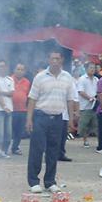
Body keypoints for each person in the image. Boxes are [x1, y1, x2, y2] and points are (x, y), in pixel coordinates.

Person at [26, 50, 76, 193]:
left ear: (62, 60)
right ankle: (34, 181)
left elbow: (70, 99)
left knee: (53, 151)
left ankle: (50, 181)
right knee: (37, 149)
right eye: (52, 58)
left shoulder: (67, 77)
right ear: (48, 60)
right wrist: (29, 119)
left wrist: (71, 119)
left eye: (57, 59)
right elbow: (32, 99)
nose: (55, 61)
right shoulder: (40, 77)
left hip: (58, 118)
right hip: (40, 117)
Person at [58, 68, 79, 162]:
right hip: (52, 112)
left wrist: (76, 112)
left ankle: (61, 154)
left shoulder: (68, 79)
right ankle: (51, 154)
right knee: (52, 136)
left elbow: (75, 98)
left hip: (65, 113)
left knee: (62, 136)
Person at [76, 62, 98, 148]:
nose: (93, 69)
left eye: (94, 68)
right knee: (85, 124)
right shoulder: (82, 79)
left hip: (95, 105)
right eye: (91, 68)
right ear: (86, 69)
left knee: (95, 124)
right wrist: (89, 98)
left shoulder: (96, 79)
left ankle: (100, 142)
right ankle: (85, 141)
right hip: (85, 105)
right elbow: (81, 91)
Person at [10, 63, 31, 155]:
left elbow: (29, 96)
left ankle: (15, 147)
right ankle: (4, 148)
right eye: (18, 69)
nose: (19, 71)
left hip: (22, 110)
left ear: (24, 72)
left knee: (19, 131)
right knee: (10, 130)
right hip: (10, 110)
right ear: (14, 70)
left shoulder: (27, 82)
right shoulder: (9, 80)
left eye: (22, 70)